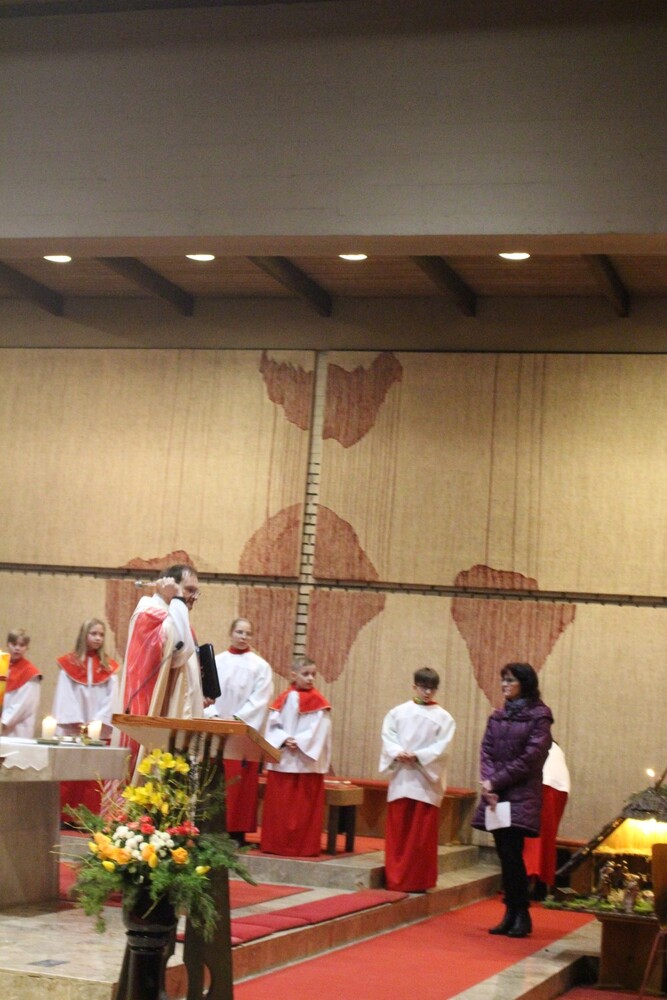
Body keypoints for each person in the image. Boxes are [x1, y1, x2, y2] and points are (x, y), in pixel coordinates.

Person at [472, 662, 553, 938]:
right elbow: (486, 751)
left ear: (525, 684)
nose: (504, 685)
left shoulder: (540, 716)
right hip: (496, 796)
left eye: (510, 680)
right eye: (503, 680)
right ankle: (510, 913)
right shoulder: (498, 716)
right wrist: (488, 783)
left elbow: (531, 759)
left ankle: (522, 914)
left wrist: (496, 781)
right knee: (504, 856)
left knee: (513, 855)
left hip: (520, 794)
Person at [117, 563, 204, 777]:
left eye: (196, 592)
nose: (194, 597)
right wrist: (178, 599)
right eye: (189, 590)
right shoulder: (149, 613)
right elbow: (179, 652)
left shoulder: (175, 615)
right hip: (153, 714)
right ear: (171, 585)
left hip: (174, 716)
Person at [379, 666, 456, 892]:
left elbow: (443, 748)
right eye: (423, 687)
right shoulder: (397, 712)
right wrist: (397, 752)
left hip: (425, 782)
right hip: (402, 777)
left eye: (432, 688)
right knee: (399, 833)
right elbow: (388, 736)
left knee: (420, 837)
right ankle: (396, 879)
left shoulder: (444, 718)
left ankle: (418, 881)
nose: (428, 692)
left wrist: (418, 756)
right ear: (414, 686)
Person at [205, 617, 273, 842]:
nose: (243, 637)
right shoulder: (216, 661)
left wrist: (237, 720)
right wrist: (214, 716)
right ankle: (212, 829)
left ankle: (236, 833)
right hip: (216, 730)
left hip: (241, 733)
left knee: (240, 785)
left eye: (248, 633)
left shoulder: (260, 667)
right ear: (231, 633)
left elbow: (260, 700)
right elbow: (204, 691)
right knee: (215, 780)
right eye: (239, 632)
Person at [261, 655, 332, 857]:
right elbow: (272, 726)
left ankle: (303, 847)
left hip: (305, 761)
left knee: (303, 809)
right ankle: (276, 845)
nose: (310, 678)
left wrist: (299, 741)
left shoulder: (319, 702)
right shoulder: (283, 698)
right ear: (293, 675)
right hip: (284, 758)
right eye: (305, 674)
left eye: (313, 674)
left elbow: (319, 730)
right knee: (281, 808)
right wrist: (284, 739)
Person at [53, 618, 120, 739]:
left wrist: (97, 721)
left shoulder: (108, 667)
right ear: (84, 635)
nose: (98, 638)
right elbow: (65, 696)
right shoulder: (68, 665)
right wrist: (76, 721)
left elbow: (112, 699)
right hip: (74, 726)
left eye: (101, 635)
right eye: (94, 634)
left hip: (99, 727)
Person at [523, 739, 571, 897]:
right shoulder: (550, 744)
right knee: (546, 838)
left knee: (532, 837)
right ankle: (540, 885)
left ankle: (528, 883)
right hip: (558, 787)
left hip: (544, 784)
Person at [0, 628, 42, 738]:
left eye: (22, 645)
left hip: (17, 729)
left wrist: (3, 723)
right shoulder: (2, 667)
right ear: (7, 644)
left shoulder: (31, 673)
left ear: (27, 647)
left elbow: (22, 705)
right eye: (14, 644)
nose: (17, 648)